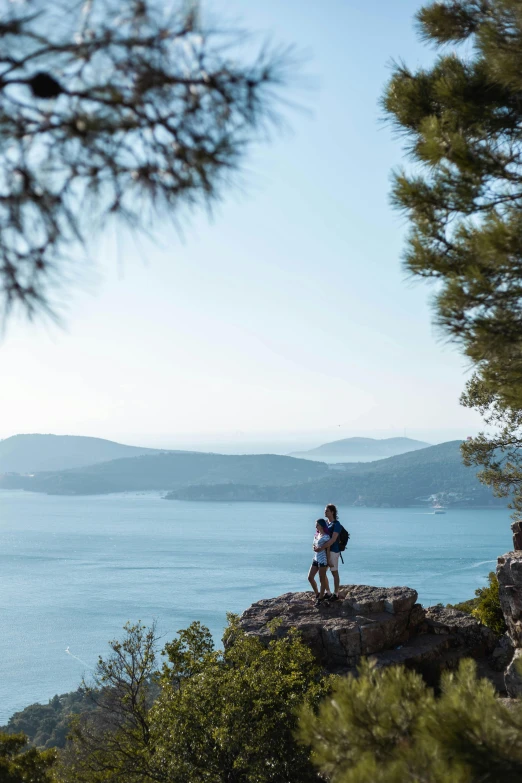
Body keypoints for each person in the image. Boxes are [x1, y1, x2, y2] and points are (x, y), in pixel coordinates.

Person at [314, 503, 341, 601]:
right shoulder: (326, 523)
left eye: (327, 511)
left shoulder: (336, 524)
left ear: (332, 512)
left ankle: (336, 593)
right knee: (323, 573)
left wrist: (321, 548)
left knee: (334, 572)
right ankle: (328, 592)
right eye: (325, 510)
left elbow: (333, 539)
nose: (325, 512)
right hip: (325, 552)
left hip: (333, 551)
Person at [307, 519, 332, 606]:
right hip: (315, 558)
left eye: (317, 525)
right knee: (310, 577)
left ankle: (321, 598)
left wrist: (329, 561)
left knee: (322, 579)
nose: (315, 526)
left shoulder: (326, 537)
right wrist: (314, 547)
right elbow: (314, 544)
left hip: (323, 559)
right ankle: (317, 594)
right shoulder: (316, 535)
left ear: (322, 525)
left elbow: (328, 549)